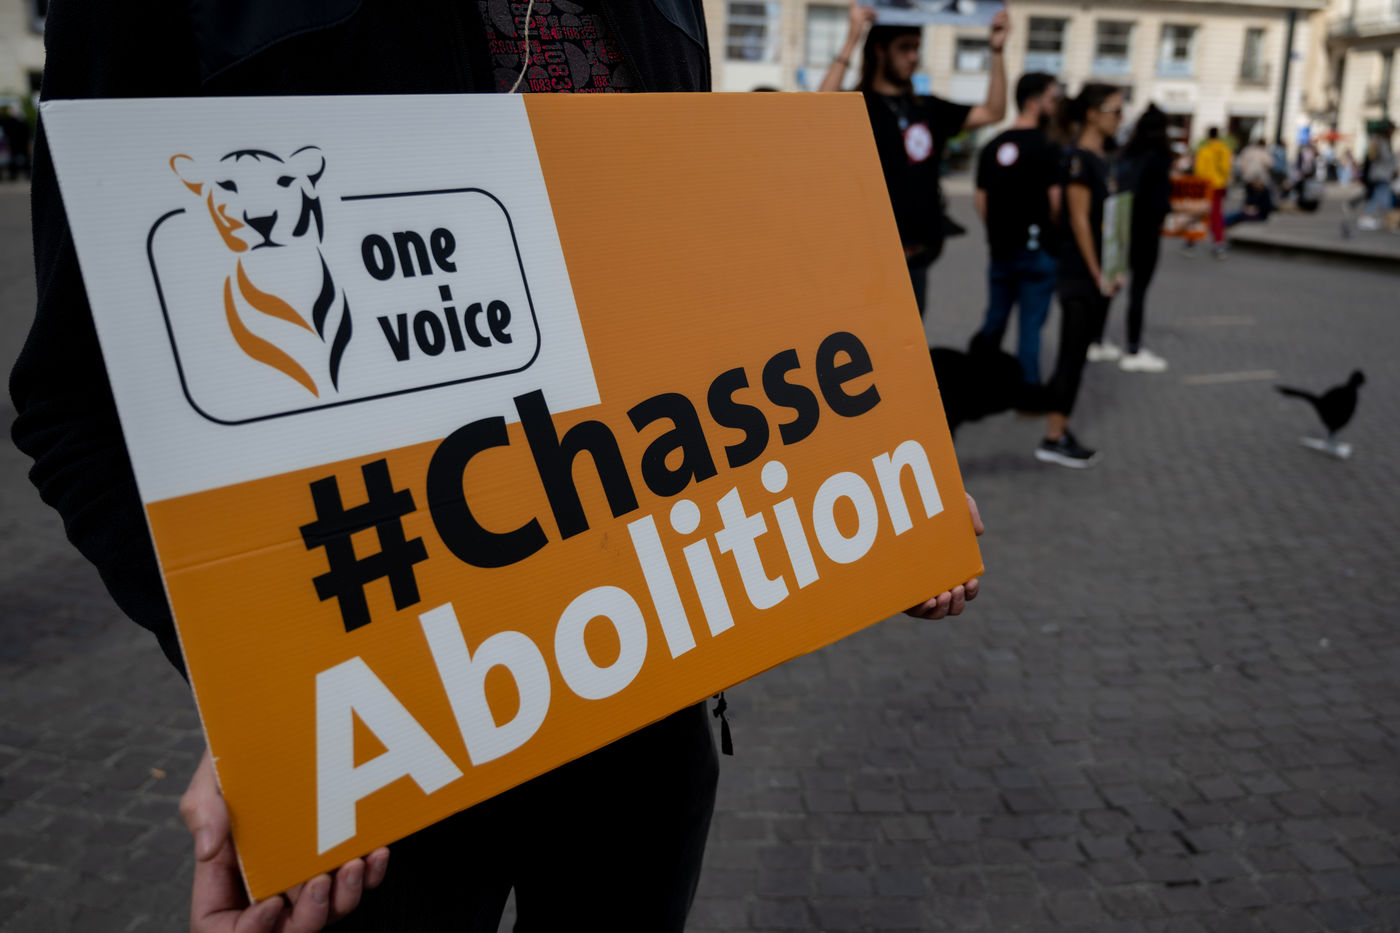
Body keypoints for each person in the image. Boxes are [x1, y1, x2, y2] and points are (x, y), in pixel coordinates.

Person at [11, 3, 984, 932]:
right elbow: (74, 405)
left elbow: (681, 290)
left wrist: (869, 485)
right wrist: (261, 689)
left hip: (646, 712)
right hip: (398, 748)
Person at [820, 0, 1010, 318]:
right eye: (904, 48)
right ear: (880, 50)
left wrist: (998, 51)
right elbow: (816, 111)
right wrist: (852, 37)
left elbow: (994, 111)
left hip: (916, 256)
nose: (913, 57)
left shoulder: (927, 107)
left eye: (917, 48)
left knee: (908, 341)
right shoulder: (857, 106)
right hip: (866, 257)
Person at [1036, 83, 1124, 469]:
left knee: (1079, 352)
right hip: (1080, 273)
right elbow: (1078, 219)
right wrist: (1097, 270)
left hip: (1097, 273)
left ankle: (1061, 429)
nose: (1119, 118)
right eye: (1114, 110)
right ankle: (1053, 437)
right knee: (1071, 355)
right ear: (1092, 113)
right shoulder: (1078, 160)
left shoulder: (1103, 158)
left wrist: (1112, 268)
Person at [972, 72, 1062, 385]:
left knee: (995, 318)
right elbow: (1056, 203)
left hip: (1001, 249)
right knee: (1030, 327)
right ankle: (1027, 388)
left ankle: (980, 381)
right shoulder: (1049, 146)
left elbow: (980, 200)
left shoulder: (992, 145)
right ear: (1033, 102)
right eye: (1052, 99)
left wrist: (997, 230)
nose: (1056, 106)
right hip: (1037, 251)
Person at [1112, 103, 1173, 373]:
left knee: (1112, 284)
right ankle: (1133, 347)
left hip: (1122, 224)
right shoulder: (1159, 157)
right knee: (1138, 291)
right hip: (1146, 230)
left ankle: (1096, 339)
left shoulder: (1128, 153)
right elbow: (1159, 200)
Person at [1191, 127, 1232, 258]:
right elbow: (1226, 169)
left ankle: (1191, 240)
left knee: (1199, 212)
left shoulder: (1204, 150)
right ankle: (1218, 242)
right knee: (1216, 214)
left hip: (1205, 185)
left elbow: (1199, 170)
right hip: (1219, 185)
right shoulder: (1224, 149)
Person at [1358, 129, 1397, 231]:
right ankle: (1373, 217)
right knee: (1382, 197)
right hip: (1381, 175)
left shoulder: (1380, 142)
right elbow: (1385, 158)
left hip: (1380, 175)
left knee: (1379, 197)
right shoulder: (1383, 143)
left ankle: (1378, 218)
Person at [0, 106, 31, 181]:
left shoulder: (10, 121)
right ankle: (23, 174)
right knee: (20, 159)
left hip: (16, 143)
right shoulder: (21, 121)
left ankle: (15, 174)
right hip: (18, 143)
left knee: (17, 159)